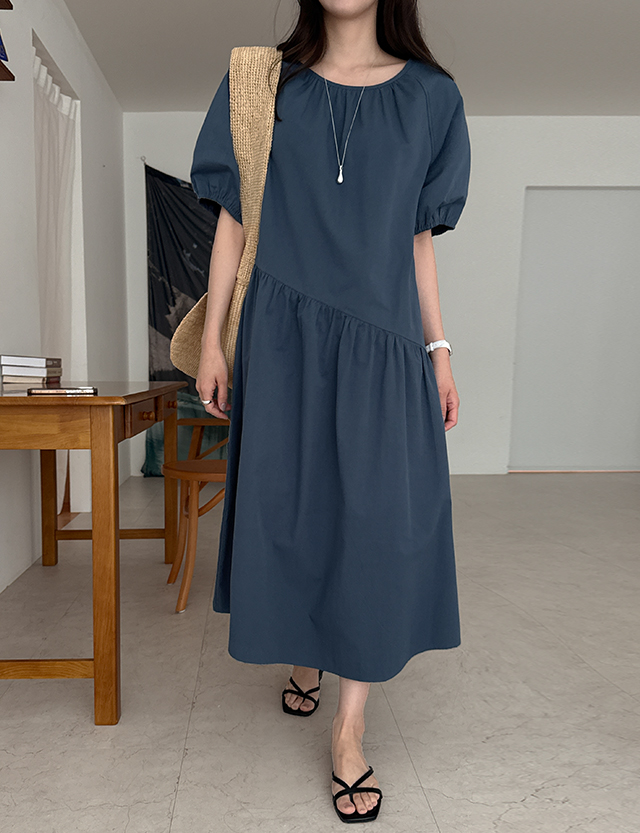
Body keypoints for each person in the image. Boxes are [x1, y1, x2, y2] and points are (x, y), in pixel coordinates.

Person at [190, 0, 471, 822]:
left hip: (384, 345)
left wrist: (439, 348)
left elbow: (417, 238)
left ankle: (349, 729)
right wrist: (213, 343)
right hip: (282, 338)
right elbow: (235, 220)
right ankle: (306, 651)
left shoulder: (432, 98)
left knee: (375, 525)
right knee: (296, 509)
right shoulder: (260, 84)